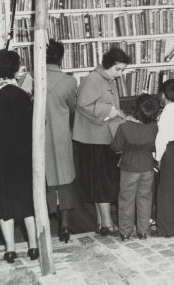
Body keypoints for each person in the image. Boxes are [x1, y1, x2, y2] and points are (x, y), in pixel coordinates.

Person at [73, 47, 129, 236]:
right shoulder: (93, 79)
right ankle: (107, 223)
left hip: (103, 137)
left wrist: (118, 114)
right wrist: (109, 111)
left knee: (100, 181)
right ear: (108, 65)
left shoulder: (107, 79)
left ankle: (101, 222)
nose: (121, 74)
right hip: (94, 139)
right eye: (118, 69)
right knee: (103, 181)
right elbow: (82, 105)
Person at [0, 50, 38, 264]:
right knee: (28, 200)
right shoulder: (23, 95)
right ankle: (34, 246)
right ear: (15, 69)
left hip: (1, 159)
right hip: (24, 156)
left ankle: (10, 250)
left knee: (5, 202)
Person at [110, 94, 159, 240]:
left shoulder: (124, 127)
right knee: (145, 198)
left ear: (136, 109)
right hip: (147, 167)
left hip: (129, 167)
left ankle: (125, 232)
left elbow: (116, 147)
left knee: (126, 200)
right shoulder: (154, 127)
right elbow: (155, 146)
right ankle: (143, 231)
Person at [45, 39, 78, 243]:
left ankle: (47, 220)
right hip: (61, 134)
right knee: (65, 179)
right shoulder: (69, 81)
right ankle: (65, 224)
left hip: (40, 135)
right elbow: (73, 108)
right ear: (61, 58)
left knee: (46, 179)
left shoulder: (32, 79)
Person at [154, 79, 174, 237]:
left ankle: (165, 229)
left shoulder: (166, 113)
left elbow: (161, 139)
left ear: (163, 95)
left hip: (169, 151)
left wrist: (158, 157)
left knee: (165, 191)